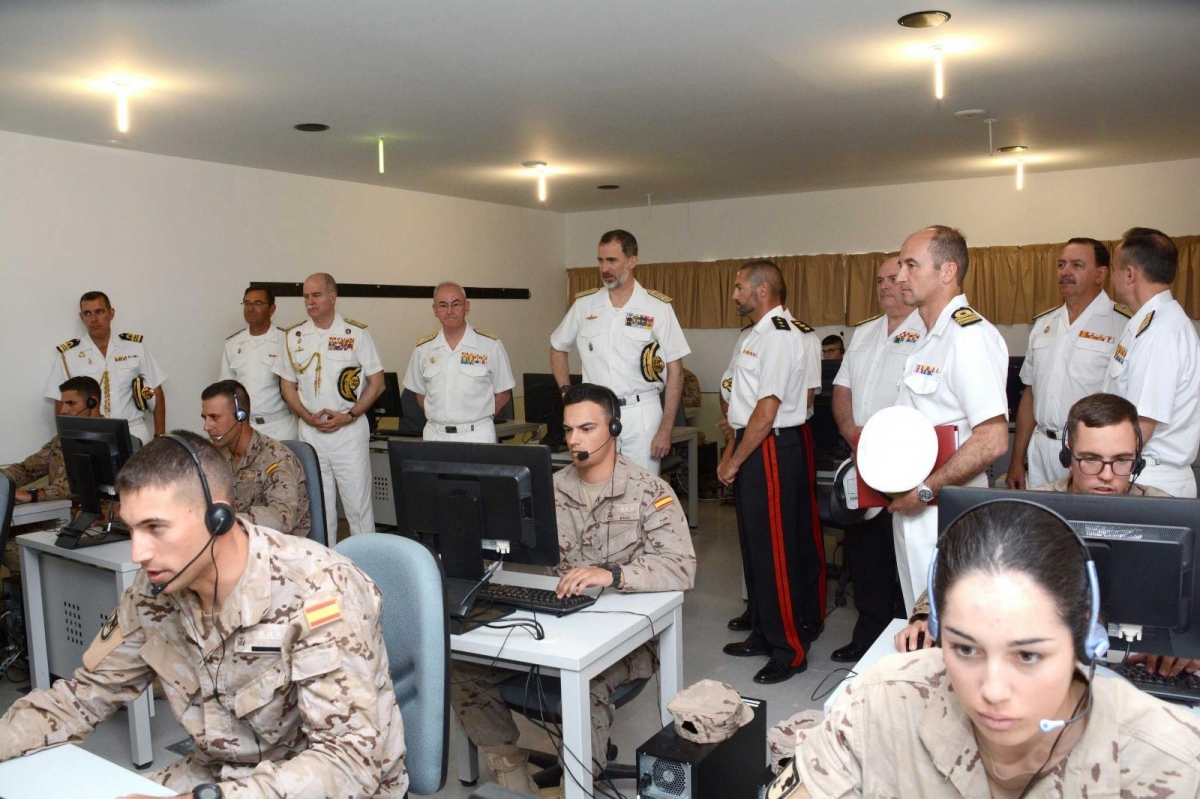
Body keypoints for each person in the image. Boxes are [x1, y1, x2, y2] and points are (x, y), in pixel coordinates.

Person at [0, 431, 408, 796]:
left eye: (155, 528)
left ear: (219, 517)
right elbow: (83, 698)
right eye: (132, 529)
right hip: (217, 776)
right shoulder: (157, 588)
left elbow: (349, 764)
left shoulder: (319, 593)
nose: (138, 553)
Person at [767, 500, 1200, 798]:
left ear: (1086, 640)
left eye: (1028, 655)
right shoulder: (879, 704)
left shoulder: (1175, 762)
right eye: (966, 650)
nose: (992, 690)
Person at [450, 383, 695, 792]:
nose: (574, 439)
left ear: (614, 427)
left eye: (586, 428)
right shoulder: (545, 488)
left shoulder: (649, 491)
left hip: (624, 637)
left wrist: (613, 574)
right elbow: (514, 555)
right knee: (460, 665)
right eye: (568, 430)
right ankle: (510, 769)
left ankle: (576, 785)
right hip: (554, 623)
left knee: (587, 683)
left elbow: (681, 568)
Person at [896, 392, 1170, 654]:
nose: (1107, 475)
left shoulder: (1166, 513)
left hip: (1141, 652)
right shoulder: (1031, 508)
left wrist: (1185, 648)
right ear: (1067, 457)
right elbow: (963, 564)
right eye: (1091, 459)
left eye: (1122, 461)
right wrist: (926, 615)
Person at [889, 225, 1009, 613]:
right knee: (919, 620)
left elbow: (992, 439)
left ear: (947, 271)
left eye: (911, 265)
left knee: (948, 624)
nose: (899, 276)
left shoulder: (968, 336)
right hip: (914, 503)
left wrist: (925, 491)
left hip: (943, 509)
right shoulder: (927, 337)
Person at [719, 260, 823, 685]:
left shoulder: (780, 337)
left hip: (772, 447)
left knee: (777, 552)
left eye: (740, 287)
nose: (734, 295)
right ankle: (763, 632)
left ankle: (790, 649)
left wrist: (735, 460)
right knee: (755, 547)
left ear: (763, 290)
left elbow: (766, 412)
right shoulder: (754, 337)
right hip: (753, 443)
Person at [826, 256, 925, 663]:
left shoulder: (930, 332)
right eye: (880, 280)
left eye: (893, 278)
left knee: (905, 551)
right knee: (864, 549)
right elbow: (842, 388)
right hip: (862, 457)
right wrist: (851, 431)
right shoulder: (865, 332)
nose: (886, 286)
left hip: (909, 462)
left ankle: (907, 639)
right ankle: (867, 634)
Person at [549, 229, 691, 475]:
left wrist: (667, 427)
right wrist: (566, 393)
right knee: (596, 487)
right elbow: (557, 348)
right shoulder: (585, 305)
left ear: (632, 261)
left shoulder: (657, 307)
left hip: (641, 412)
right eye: (600, 260)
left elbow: (675, 369)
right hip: (596, 412)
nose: (605, 268)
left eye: (612, 260)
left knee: (641, 491)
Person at [1007, 238, 1128, 490]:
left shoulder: (1122, 325)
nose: (1065, 271)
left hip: (1092, 454)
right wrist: (1016, 459)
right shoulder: (1043, 325)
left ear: (1100, 274)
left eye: (1077, 265)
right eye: (1061, 264)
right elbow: (1030, 394)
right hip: (1041, 449)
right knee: (1041, 527)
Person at [275, 273, 384, 545]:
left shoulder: (355, 333)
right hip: (311, 434)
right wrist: (306, 416)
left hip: (348, 432)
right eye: (306, 297)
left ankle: (367, 569)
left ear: (333, 296)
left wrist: (350, 415)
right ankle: (328, 569)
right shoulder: (293, 336)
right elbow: (286, 384)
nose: (310, 302)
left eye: (316, 295)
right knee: (320, 508)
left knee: (358, 507)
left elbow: (377, 383)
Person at [1103, 227, 1200, 497]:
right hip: (1137, 470)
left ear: (1130, 274)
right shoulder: (1147, 323)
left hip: (1149, 477)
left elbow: (1142, 424)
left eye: (1114, 269)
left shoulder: (1160, 331)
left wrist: (1101, 468)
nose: (1112, 277)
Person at [45, 290, 166, 443]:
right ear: (81, 317)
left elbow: (155, 389)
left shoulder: (135, 348)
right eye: (87, 313)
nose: (94, 319)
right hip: (91, 433)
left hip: (133, 428)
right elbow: (60, 400)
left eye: (99, 312)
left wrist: (160, 436)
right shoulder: (69, 355)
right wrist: (67, 441)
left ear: (111, 313)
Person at [403, 281, 515, 442]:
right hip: (435, 435)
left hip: (477, 435)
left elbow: (503, 393)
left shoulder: (490, 345)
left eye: (456, 304)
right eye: (443, 305)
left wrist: (479, 418)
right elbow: (420, 394)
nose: (449, 311)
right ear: (435, 310)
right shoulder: (423, 348)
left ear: (467, 307)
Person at [201, 379, 311, 539]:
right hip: (238, 542)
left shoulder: (276, 458)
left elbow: (282, 518)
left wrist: (226, 520)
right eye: (205, 418)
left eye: (214, 417)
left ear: (240, 416)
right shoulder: (218, 455)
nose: (207, 427)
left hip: (279, 550)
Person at [3, 376, 102, 505]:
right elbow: (27, 469)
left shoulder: (107, 441)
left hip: (96, 520)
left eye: (70, 403)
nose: (63, 410)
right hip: (59, 514)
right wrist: (2, 480)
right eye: (63, 404)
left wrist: (32, 495)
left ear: (92, 403)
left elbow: (75, 486)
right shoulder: (62, 439)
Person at [219, 286, 298, 441]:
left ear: (272, 309)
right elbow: (226, 390)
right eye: (247, 303)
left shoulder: (287, 341)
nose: (251, 308)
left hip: (280, 426)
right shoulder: (233, 344)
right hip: (246, 427)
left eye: (258, 303)